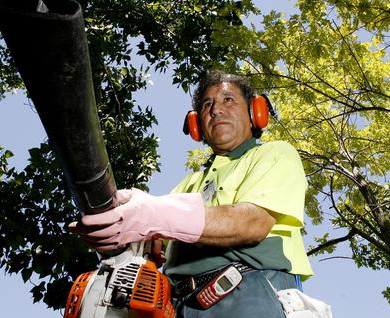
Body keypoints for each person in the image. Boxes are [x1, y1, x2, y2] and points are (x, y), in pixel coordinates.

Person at [71, 70, 313, 317]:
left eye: (228, 100)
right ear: (197, 125)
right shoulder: (189, 184)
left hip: (247, 294)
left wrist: (153, 215)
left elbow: (252, 223)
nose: (216, 110)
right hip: (177, 306)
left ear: (255, 112)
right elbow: (154, 241)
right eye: (208, 104)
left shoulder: (274, 154)